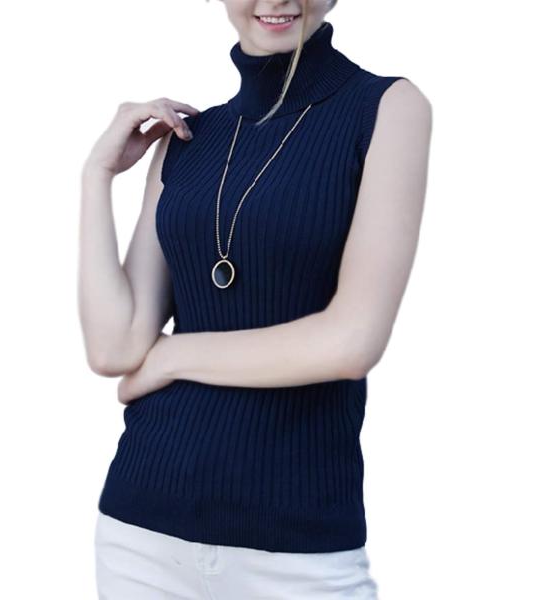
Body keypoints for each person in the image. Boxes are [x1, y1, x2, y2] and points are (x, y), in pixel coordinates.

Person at [79, 0, 432, 598]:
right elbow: (115, 348)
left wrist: (171, 356)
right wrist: (96, 175)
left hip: (299, 546)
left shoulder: (388, 108)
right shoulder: (186, 139)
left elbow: (350, 342)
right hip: (141, 531)